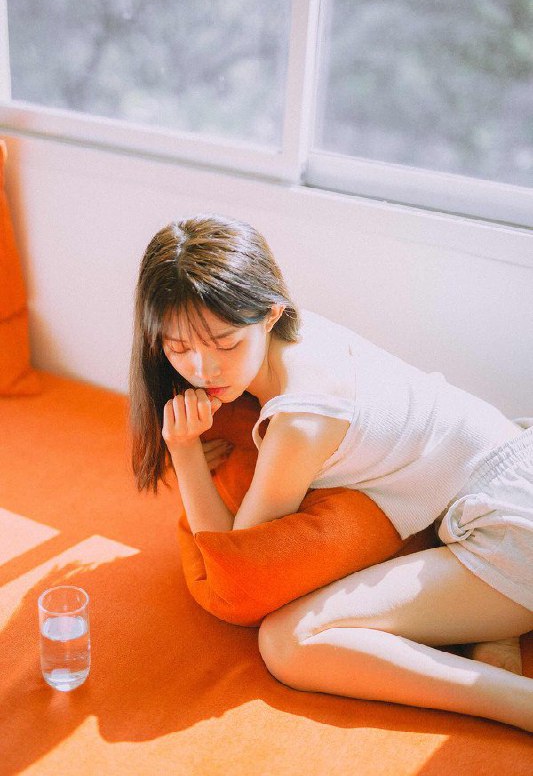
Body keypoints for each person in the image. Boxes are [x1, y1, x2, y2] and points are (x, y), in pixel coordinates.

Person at [130, 215, 533, 732]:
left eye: (225, 343)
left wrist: (184, 452)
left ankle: (518, 702)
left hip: (509, 528)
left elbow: (237, 568)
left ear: (270, 314)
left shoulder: (302, 420)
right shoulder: (303, 336)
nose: (203, 370)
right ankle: (491, 627)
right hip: (494, 485)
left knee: (288, 644)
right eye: (178, 348)